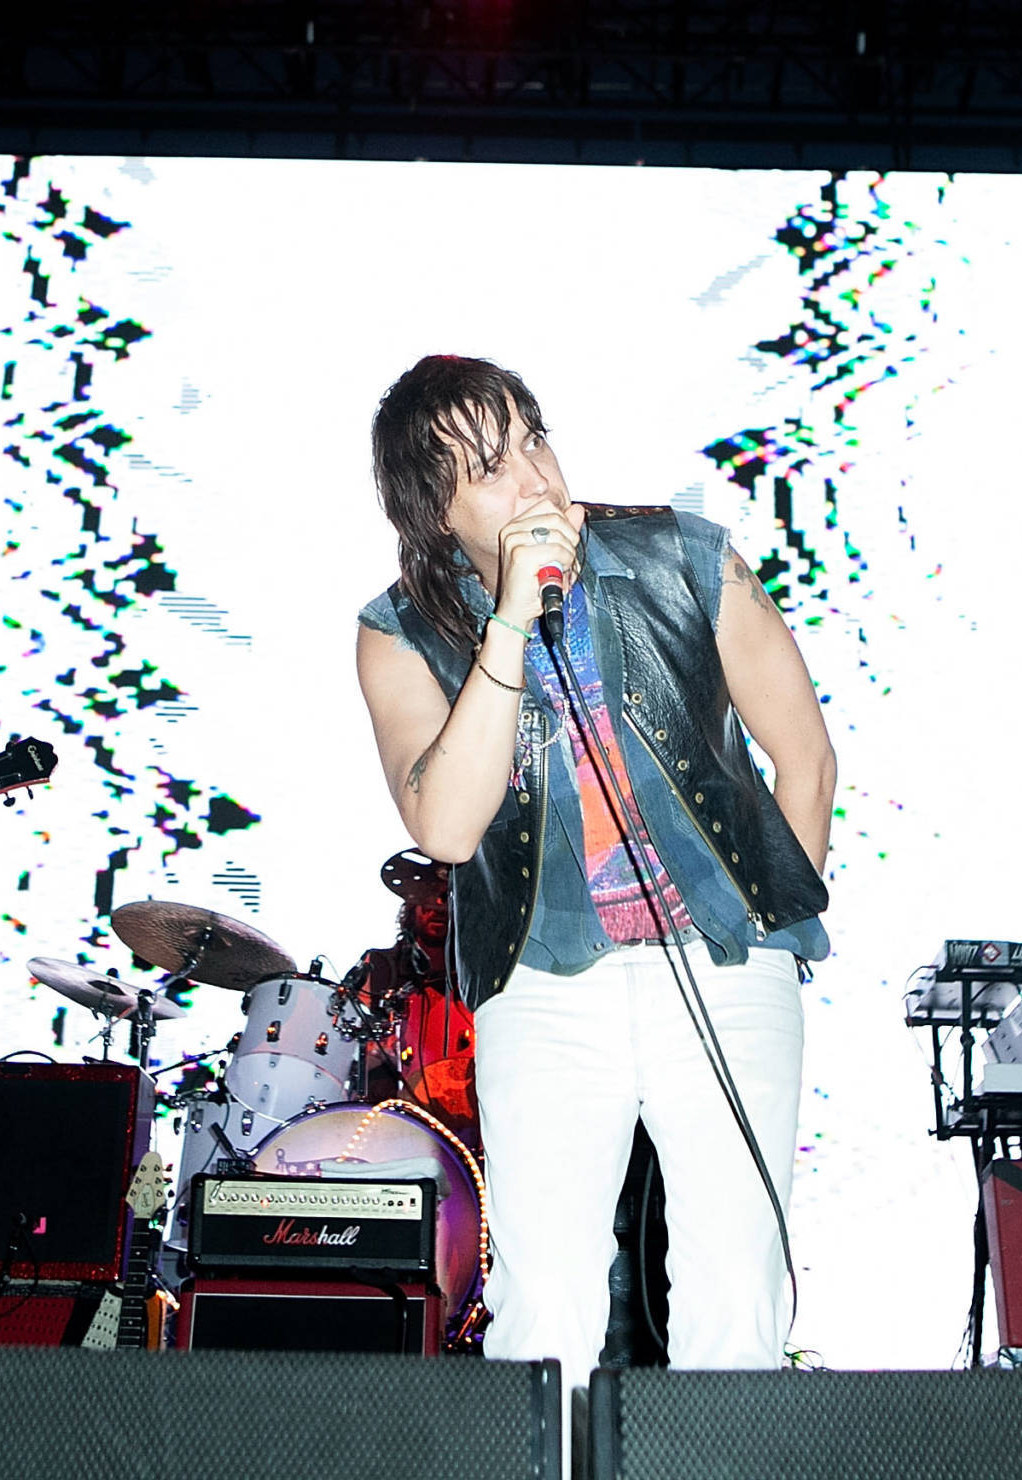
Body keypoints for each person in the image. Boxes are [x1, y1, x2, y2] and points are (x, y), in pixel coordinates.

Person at [353, 356, 835, 1378]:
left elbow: (804, 754)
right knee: (549, 1296)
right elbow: (444, 823)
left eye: (533, 437)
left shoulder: (686, 558)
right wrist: (511, 621)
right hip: (543, 982)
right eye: (489, 467)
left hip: (719, 960)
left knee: (736, 1284)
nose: (533, 477)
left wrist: (768, 937)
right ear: (436, 511)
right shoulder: (396, 634)